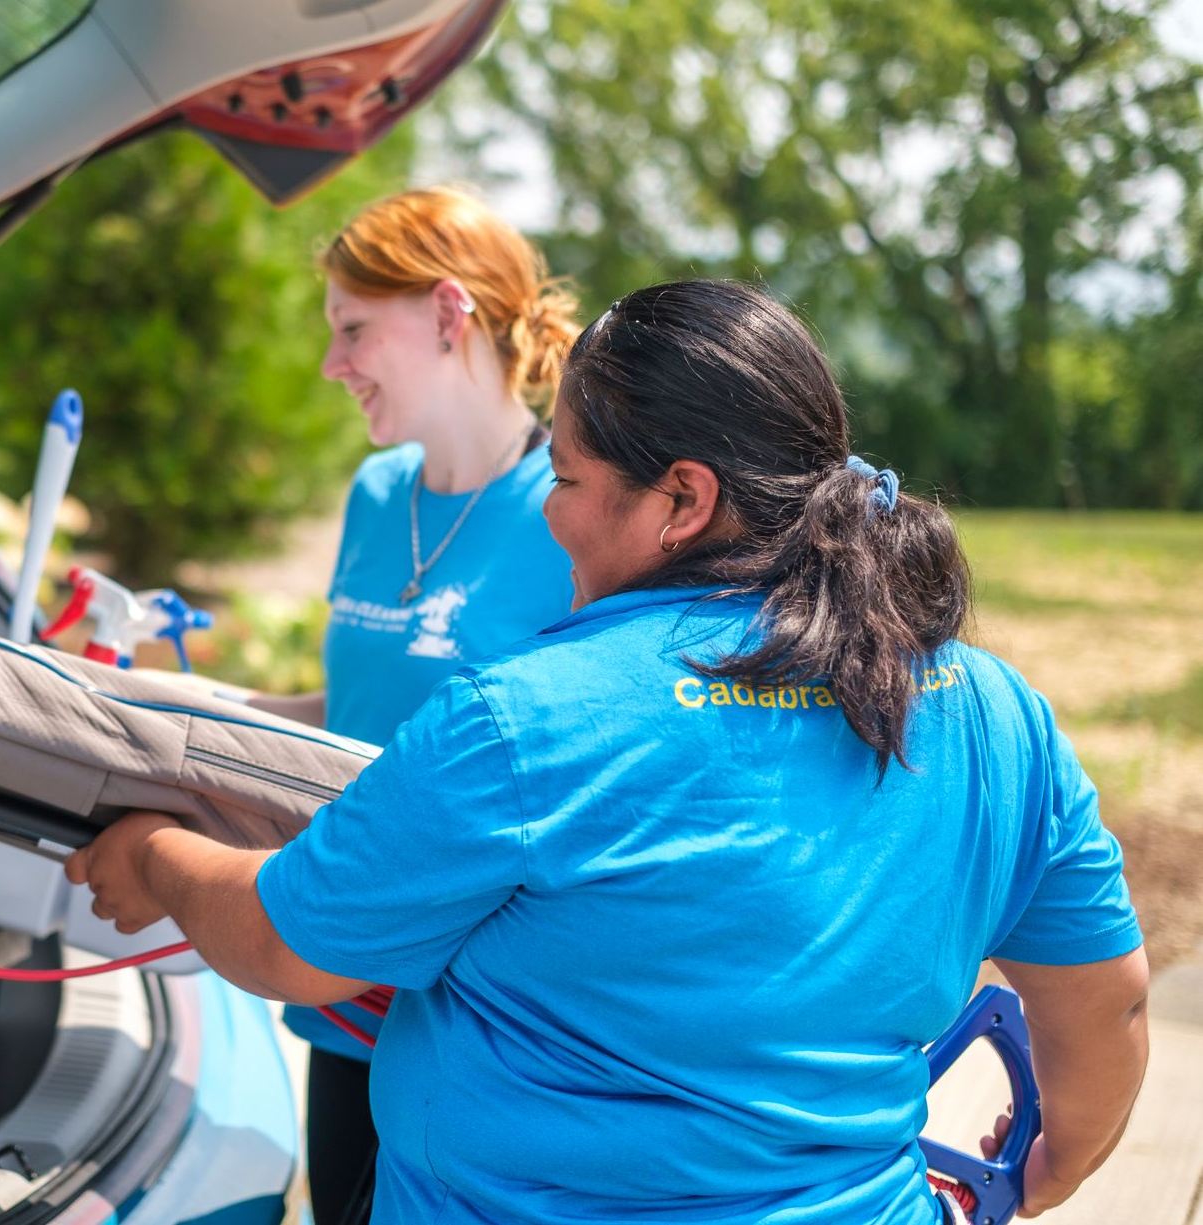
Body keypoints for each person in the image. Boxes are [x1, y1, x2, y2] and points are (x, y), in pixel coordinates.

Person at [67, 280, 1149, 1224]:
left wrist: (157, 853)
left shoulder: (526, 721)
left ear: (682, 498)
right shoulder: (995, 709)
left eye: (568, 479)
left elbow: (284, 945)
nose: (548, 516)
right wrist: (1055, 1163)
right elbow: (1106, 1003)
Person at [221, 187, 581, 1223]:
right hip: (338, 985)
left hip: (477, 1023)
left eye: (351, 329)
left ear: (445, 312)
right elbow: (356, 704)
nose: (332, 365)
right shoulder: (376, 494)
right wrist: (180, 712)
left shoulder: (566, 512)